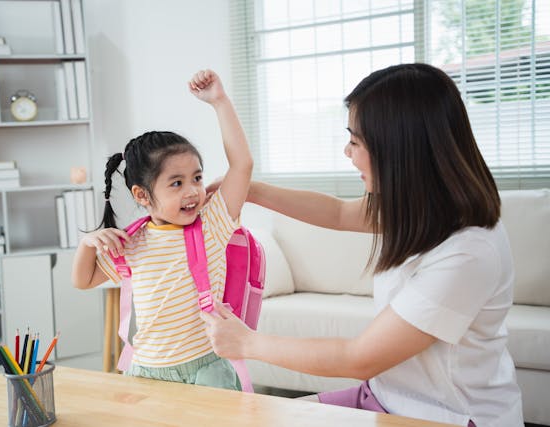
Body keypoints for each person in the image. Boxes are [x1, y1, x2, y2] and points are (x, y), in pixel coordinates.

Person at [200, 63, 523, 426]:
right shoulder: (423, 208)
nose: (346, 151)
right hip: (385, 398)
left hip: (445, 416)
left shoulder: (469, 251)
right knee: (258, 418)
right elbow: (337, 213)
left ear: (399, 149)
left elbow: (359, 358)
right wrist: (251, 191)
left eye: (355, 141)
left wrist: (247, 343)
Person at [71, 69, 252, 391]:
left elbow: (242, 165)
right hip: (147, 371)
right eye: (177, 183)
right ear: (142, 195)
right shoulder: (133, 242)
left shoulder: (214, 222)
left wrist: (219, 102)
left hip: (207, 367)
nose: (193, 191)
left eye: (197, 178)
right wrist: (87, 244)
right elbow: (82, 281)